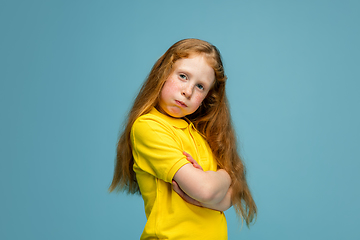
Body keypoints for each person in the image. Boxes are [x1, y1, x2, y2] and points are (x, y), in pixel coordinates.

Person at [109, 38, 257, 239]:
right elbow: (206, 190)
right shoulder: (149, 127)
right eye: (183, 76)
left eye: (200, 87)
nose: (188, 91)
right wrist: (225, 176)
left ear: (208, 97)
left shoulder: (201, 135)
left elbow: (231, 196)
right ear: (163, 73)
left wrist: (216, 189)